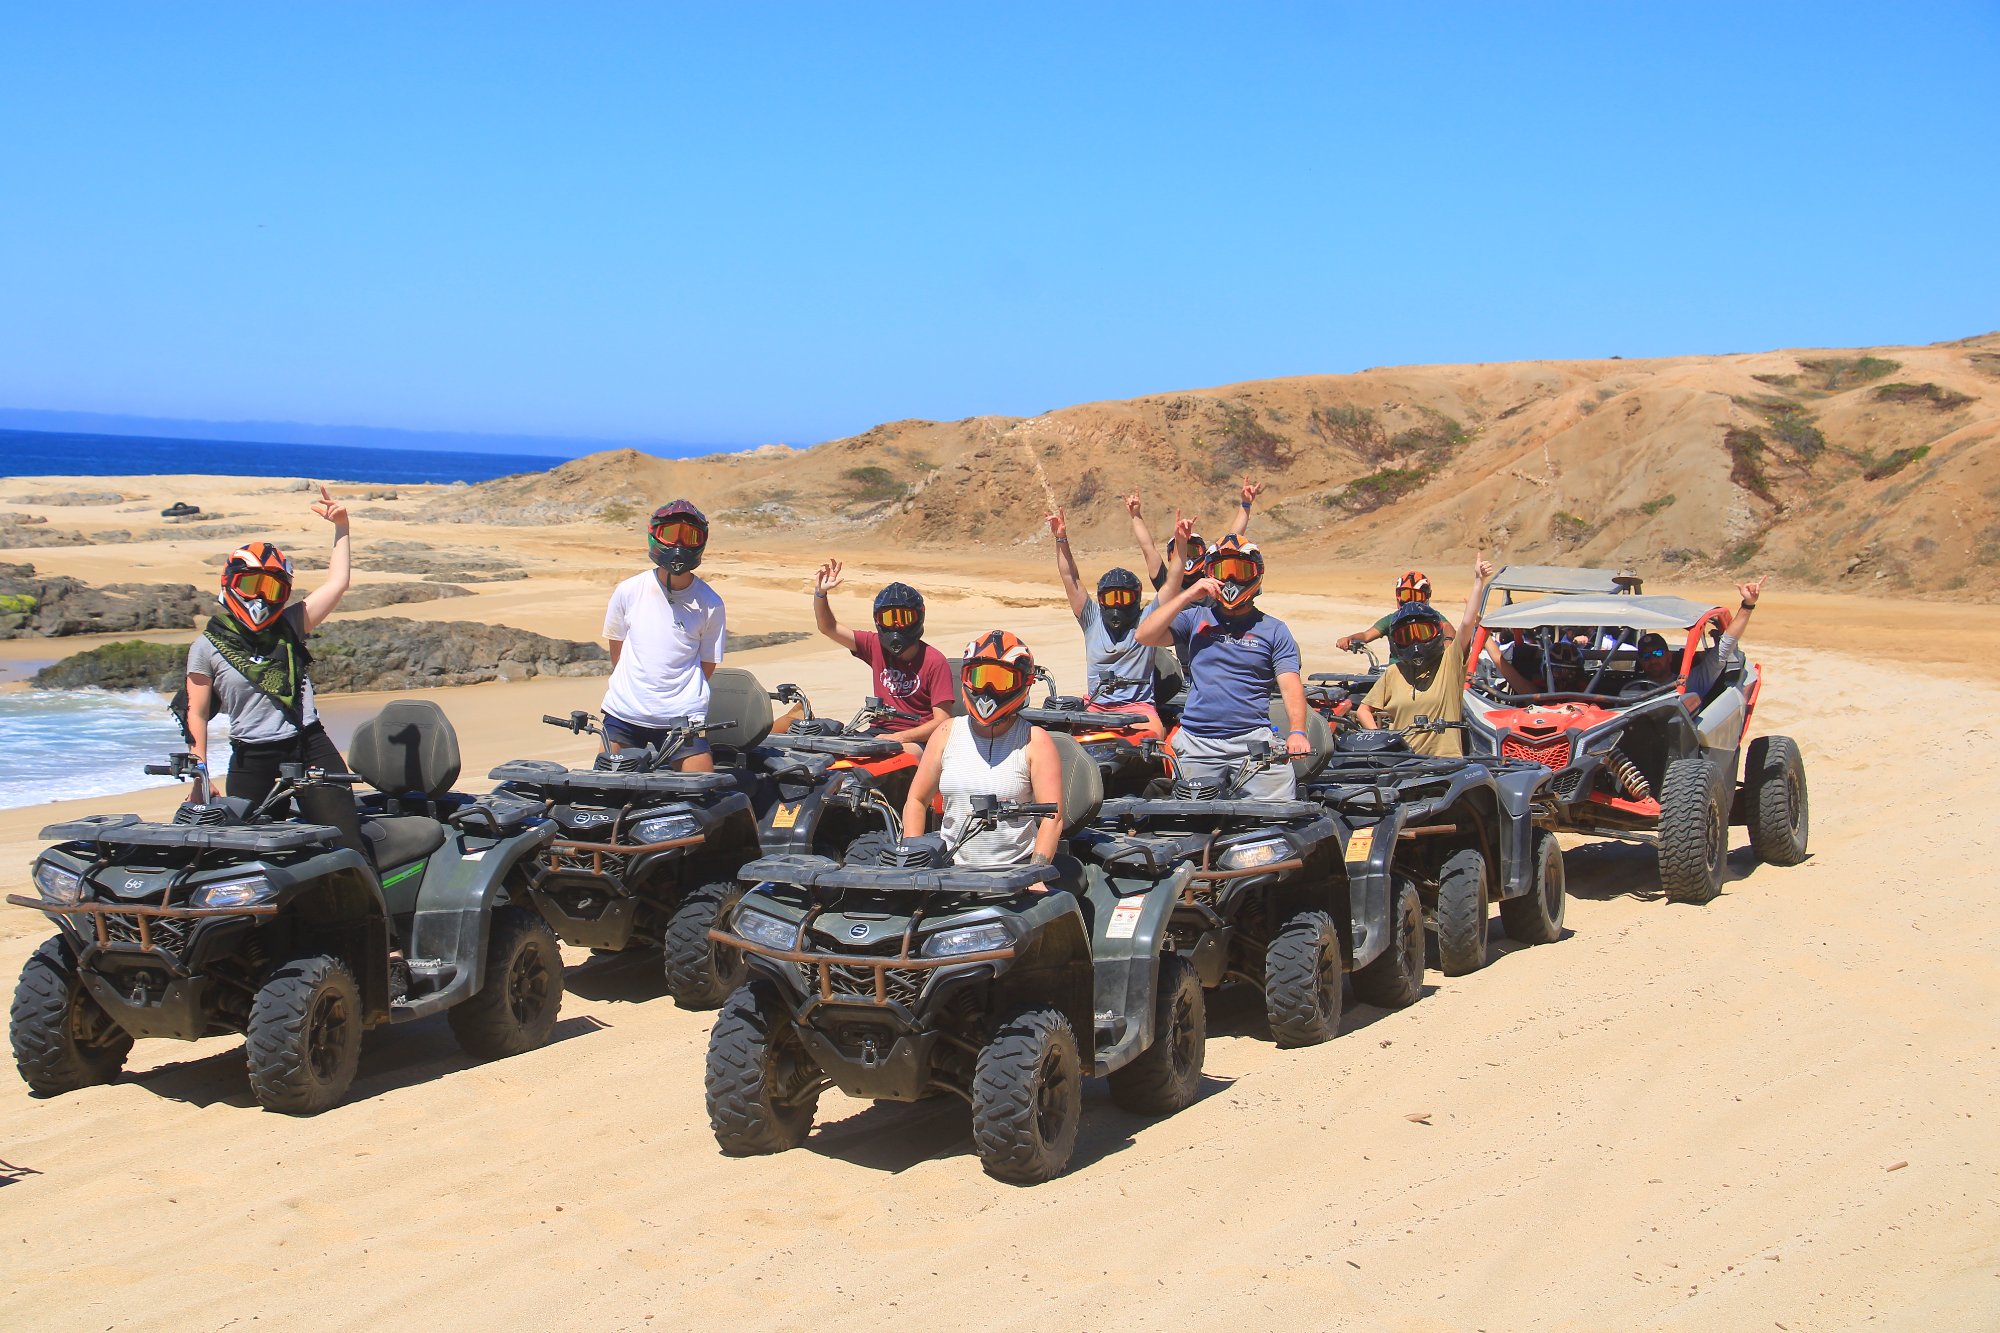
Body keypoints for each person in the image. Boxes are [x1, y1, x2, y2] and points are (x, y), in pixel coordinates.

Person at [182, 485, 354, 809]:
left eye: (271, 589)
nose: (260, 598)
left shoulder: (291, 625)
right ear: (230, 583)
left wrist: (342, 527)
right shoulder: (206, 647)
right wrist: (199, 776)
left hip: (308, 745)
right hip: (251, 758)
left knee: (343, 834)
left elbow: (337, 583)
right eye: (251, 585)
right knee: (247, 839)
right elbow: (197, 713)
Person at [1135, 526, 1310, 799]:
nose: (1230, 579)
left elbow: (1290, 686)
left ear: (1256, 574)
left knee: (1280, 811)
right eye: (1221, 571)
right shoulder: (1195, 619)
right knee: (1190, 815)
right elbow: (1144, 635)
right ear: (1209, 574)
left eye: (1240, 571)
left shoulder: (1274, 630)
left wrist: (1297, 732)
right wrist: (1186, 596)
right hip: (1197, 742)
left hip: (1253, 741)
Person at [903, 631, 1064, 868]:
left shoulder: (1034, 740)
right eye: (979, 677)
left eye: (1002, 680)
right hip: (949, 870)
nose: (988, 688)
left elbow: (1053, 818)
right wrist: (912, 859)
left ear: (1023, 684)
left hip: (1014, 871)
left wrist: (1037, 871)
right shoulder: (946, 733)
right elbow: (916, 800)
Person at [600, 499, 727, 771]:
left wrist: (676, 697)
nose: (679, 544)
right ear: (654, 536)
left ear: (701, 542)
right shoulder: (628, 591)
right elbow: (617, 648)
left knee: (701, 788)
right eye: (670, 534)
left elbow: (707, 664)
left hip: (683, 719)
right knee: (605, 789)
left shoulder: (711, 603)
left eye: (689, 536)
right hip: (624, 713)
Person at [1357, 554, 1497, 757]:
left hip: (1445, 764)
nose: (1415, 641)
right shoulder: (1394, 673)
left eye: (1422, 632)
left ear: (1436, 632)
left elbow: (1466, 624)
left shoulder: (1449, 665)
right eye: (1406, 635)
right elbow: (1363, 710)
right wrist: (1382, 742)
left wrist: (1478, 581)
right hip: (1402, 764)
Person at [1045, 507, 1165, 738]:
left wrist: (1138, 518)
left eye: (1124, 597)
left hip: (1138, 709)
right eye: (1111, 598)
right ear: (1100, 600)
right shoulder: (1091, 619)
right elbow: (1070, 578)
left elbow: (1167, 583)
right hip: (1096, 707)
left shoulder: (1147, 620)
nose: (1117, 605)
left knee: (1153, 739)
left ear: (1137, 598)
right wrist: (1061, 538)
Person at [809, 561, 953, 754]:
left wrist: (901, 737)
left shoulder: (934, 661)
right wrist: (820, 593)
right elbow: (829, 627)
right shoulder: (874, 645)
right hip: (878, 733)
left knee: (897, 759)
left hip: (917, 739)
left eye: (904, 618)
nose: (896, 625)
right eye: (888, 618)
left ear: (918, 617)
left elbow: (943, 721)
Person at [1637, 576, 1767, 697]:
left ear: (1669, 656)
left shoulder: (1693, 681)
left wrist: (1747, 605)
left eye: (1657, 653)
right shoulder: (1632, 690)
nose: (1652, 660)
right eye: (1646, 656)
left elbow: (1726, 644)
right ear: (1641, 662)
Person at [1127, 477, 1262, 593]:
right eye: (1181, 551)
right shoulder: (1166, 582)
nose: (1187, 557)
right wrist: (1135, 515)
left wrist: (1246, 505)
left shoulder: (1212, 581)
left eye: (1192, 551)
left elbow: (1232, 540)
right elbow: (1148, 548)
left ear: (1203, 553)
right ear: (1170, 556)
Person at [1336, 570, 1456, 653]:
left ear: (1427, 596)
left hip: (1426, 670)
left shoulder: (1432, 616)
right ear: (1398, 596)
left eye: (1415, 596)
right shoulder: (1392, 619)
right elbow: (1366, 635)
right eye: (1405, 596)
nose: (1410, 601)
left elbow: (1448, 628)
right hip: (1396, 670)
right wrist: (1349, 638)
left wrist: (1448, 641)